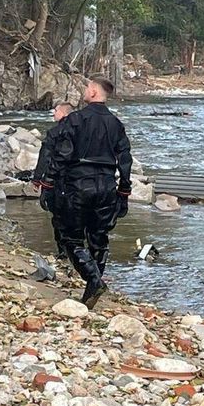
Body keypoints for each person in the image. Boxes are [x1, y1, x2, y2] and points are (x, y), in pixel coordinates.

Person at [39, 75, 132, 309]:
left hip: (78, 185)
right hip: (107, 185)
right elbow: (125, 159)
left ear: (93, 92)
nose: (84, 91)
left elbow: (61, 156)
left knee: (71, 238)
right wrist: (124, 190)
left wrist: (47, 185)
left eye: (87, 87)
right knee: (99, 239)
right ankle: (93, 285)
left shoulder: (76, 120)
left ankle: (93, 280)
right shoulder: (116, 124)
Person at [32, 102, 74, 257]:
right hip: (78, 181)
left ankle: (63, 251)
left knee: (58, 217)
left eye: (55, 110)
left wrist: (38, 179)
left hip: (57, 180)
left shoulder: (55, 132)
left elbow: (45, 157)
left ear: (63, 113)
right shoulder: (82, 132)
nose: (53, 113)